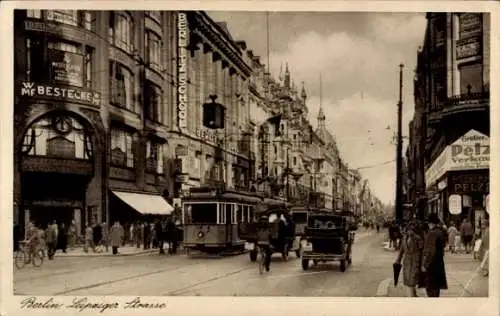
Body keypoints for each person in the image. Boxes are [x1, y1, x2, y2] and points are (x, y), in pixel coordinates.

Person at [395, 220, 424, 297]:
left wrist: (415, 235)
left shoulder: (418, 238)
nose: (409, 231)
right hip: (407, 261)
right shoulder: (404, 238)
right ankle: (414, 294)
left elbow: (421, 247)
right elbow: (401, 250)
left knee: (413, 279)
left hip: (415, 260)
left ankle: (412, 296)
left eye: (411, 229)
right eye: (408, 229)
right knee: (409, 280)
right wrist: (398, 260)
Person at [422, 213, 448, 297]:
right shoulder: (440, 232)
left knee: (430, 287)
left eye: (428, 223)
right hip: (439, 262)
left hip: (431, 264)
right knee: (436, 288)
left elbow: (429, 251)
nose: (428, 224)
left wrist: (425, 264)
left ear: (431, 223)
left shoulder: (432, 233)